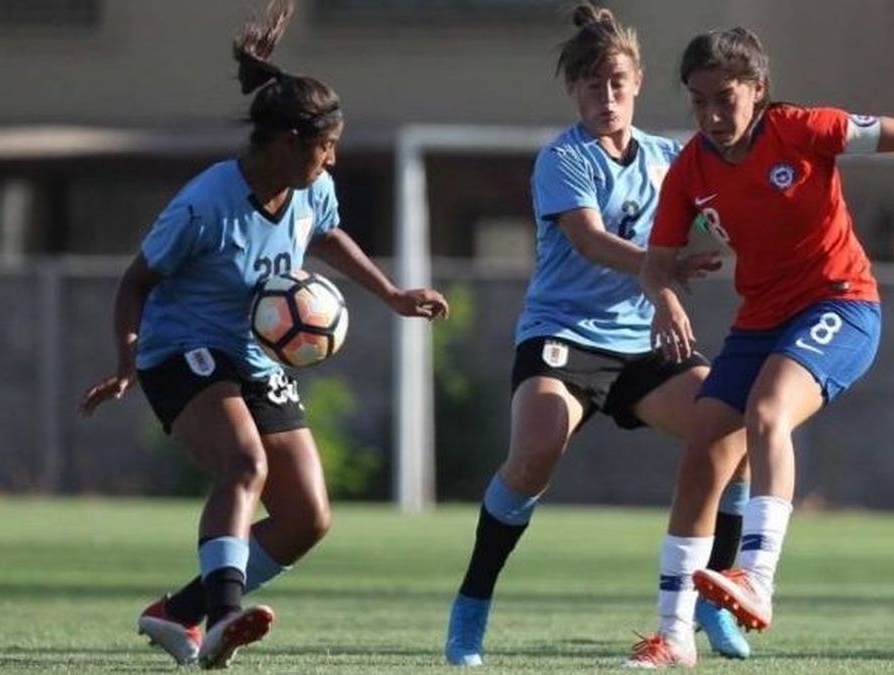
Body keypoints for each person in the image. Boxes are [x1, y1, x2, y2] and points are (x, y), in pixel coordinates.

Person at [624, 27, 894, 667]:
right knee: (702, 454)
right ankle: (674, 634)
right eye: (698, 101)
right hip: (760, 322)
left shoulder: (803, 129)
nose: (713, 115)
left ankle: (758, 577)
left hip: (842, 306)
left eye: (726, 98)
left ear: (759, 91)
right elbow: (657, 263)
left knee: (768, 411)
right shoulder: (692, 167)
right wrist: (665, 296)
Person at [78, 1, 449, 669]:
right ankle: (223, 617)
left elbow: (327, 233)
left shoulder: (313, 187)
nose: (331, 157)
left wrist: (392, 293)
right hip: (179, 350)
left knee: (308, 515)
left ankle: (179, 610)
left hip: (249, 354)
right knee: (243, 464)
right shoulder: (204, 204)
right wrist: (128, 360)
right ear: (285, 143)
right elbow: (134, 280)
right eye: (324, 145)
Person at [443, 3, 752, 667]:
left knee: (734, 429)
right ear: (573, 91)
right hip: (564, 338)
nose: (605, 97)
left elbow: (731, 199)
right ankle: (471, 604)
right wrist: (662, 272)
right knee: (534, 453)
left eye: (616, 83)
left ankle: (712, 604)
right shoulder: (564, 159)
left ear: (637, 82)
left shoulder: (673, 157)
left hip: (643, 345)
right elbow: (588, 240)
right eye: (591, 85)